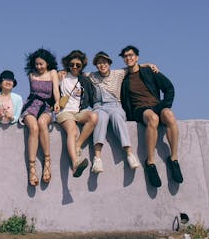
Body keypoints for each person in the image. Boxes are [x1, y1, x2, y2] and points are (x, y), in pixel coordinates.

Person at [119, 45, 183, 188]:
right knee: (153, 119)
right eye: (125, 56)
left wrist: (166, 104)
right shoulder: (123, 77)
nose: (128, 58)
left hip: (156, 105)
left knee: (169, 115)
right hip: (139, 109)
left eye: (131, 55)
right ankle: (150, 162)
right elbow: (104, 73)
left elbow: (169, 87)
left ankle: (173, 159)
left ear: (137, 57)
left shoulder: (149, 71)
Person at [87, 51, 141, 174]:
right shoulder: (91, 76)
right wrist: (63, 72)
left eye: (104, 62)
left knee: (117, 118)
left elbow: (133, 67)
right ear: (96, 65)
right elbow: (77, 73)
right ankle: (97, 158)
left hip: (115, 105)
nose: (102, 65)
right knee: (100, 118)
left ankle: (129, 154)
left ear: (109, 63)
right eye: (99, 63)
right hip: (99, 107)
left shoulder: (119, 73)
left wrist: (148, 65)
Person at [21, 47, 60, 186]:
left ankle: (47, 162)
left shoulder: (53, 73)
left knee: (42, 123)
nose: (39, 67)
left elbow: (55, 89)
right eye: (37, 64)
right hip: (32, 104)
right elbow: (32, 93)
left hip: (47, 106)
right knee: (33, 127)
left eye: (41, 64)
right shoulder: (31, 74)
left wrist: (57, 102)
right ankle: (32, 168)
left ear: (47, 63)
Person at [56, 50, 97, 178]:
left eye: (78, 65)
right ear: (68, 64)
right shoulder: (61, 76)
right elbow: (52, 91)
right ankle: (75, 164)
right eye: (72, 64)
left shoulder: (84, 80)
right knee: (72, 131)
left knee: (94, 117)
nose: (74, 67)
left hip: (79, 111)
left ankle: (78, 145)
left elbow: (93, 96)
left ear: (82, 66)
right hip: (65, 111)